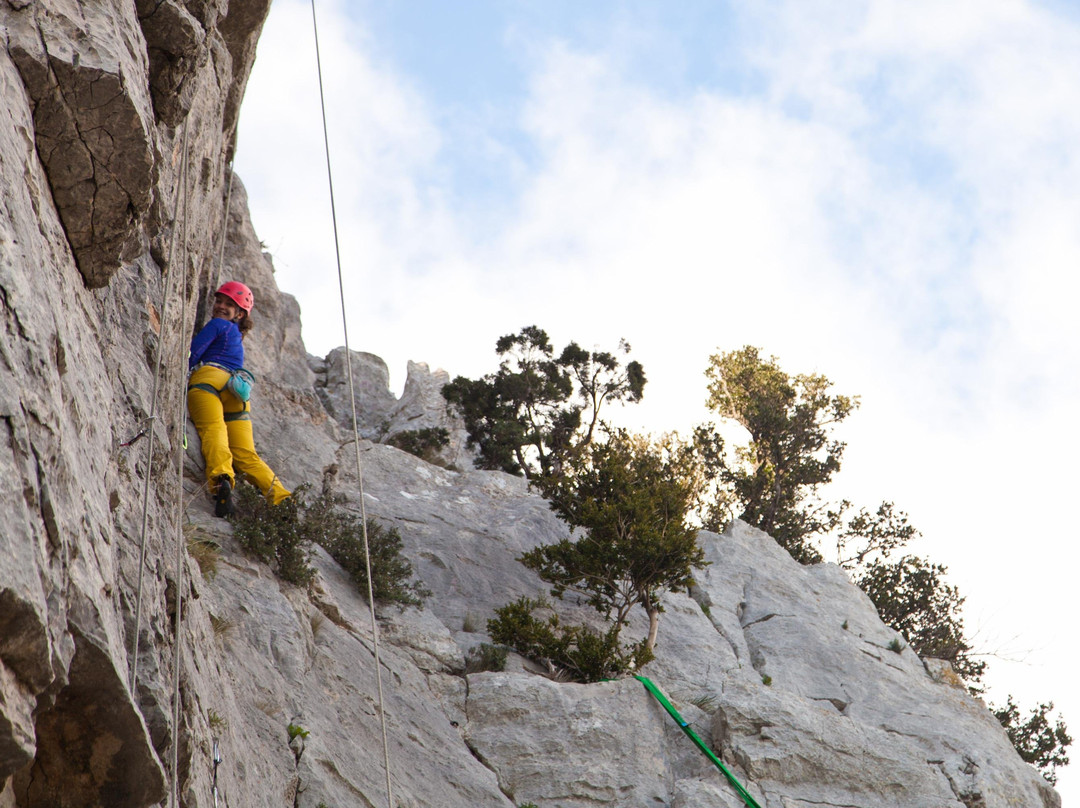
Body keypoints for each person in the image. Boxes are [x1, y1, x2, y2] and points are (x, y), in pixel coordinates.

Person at [187, 281, 290, 516]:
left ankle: (222, 480)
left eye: (228, 304)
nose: (220, 306)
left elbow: (193, 352)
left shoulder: (218, 325)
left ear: (240, 313)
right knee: (246, 453)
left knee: (214, 430)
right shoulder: (236, 336)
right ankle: (283, 500)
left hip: (209, 381)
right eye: (219, 301)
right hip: (236, 392)